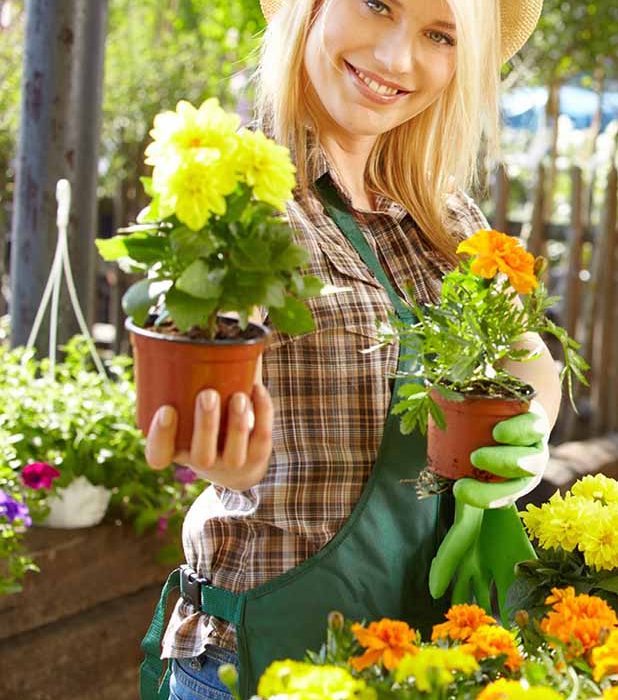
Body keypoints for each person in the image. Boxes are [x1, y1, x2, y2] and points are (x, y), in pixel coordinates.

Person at [136, 1, 551, 698]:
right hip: (265, 657)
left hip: (422, 654)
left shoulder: (437, 213)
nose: (395, 58)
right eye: (376, 3)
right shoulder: (245, 196)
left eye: (438, 34)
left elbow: (527, 347)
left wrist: (529, 428)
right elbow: (200, 340)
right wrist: (215, 438)